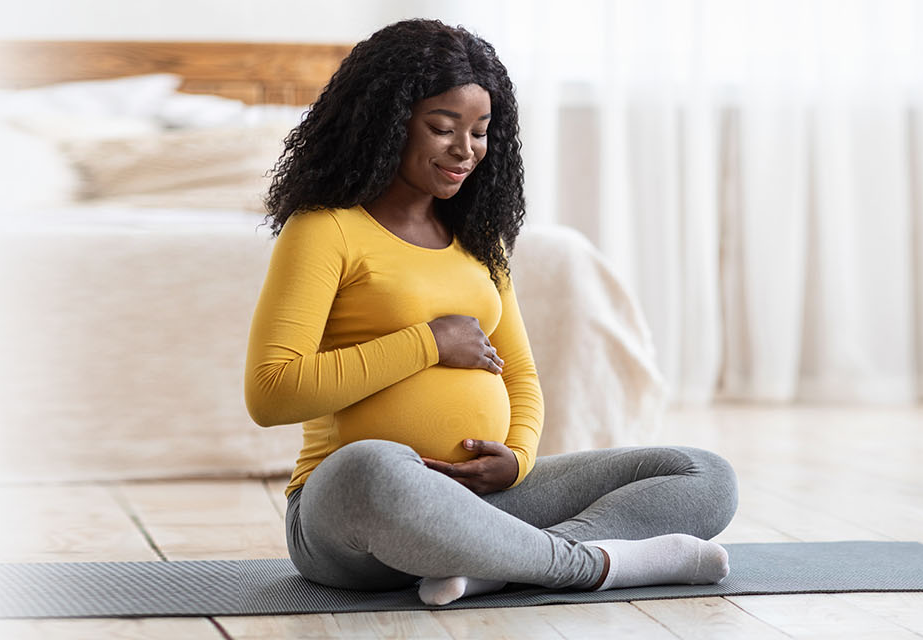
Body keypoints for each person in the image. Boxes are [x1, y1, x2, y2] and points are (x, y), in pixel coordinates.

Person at [243, 18, 738, 606]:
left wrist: (519, 459)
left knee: (702, 473)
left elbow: (520, 374)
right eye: (442, 128)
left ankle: (492, 567)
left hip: (486, 503)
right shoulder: (325, 230)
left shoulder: (479, 239)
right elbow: (271, 393)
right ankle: (584, 564)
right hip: (358, 514)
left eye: (480, 132)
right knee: (374, 466)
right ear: (385, 121)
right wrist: (429, 343)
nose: (465, 150)